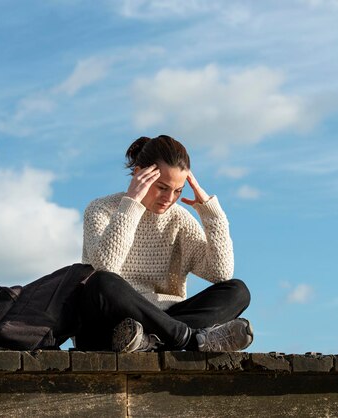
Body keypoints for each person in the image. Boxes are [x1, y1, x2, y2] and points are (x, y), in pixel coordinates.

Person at [75, 135, 253, 352]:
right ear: (140, 174)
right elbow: (106, 266)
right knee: (100, 282)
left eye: (177, 191)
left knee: (238, 291)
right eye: (162, 187)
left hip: (165, 319)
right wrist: (131, 204)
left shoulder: (179, 219)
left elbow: (220, 272)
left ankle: (154, 343)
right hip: (110, 327)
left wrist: (210, 213)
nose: (169, 198)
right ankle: (189, 339)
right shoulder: (101, 209)